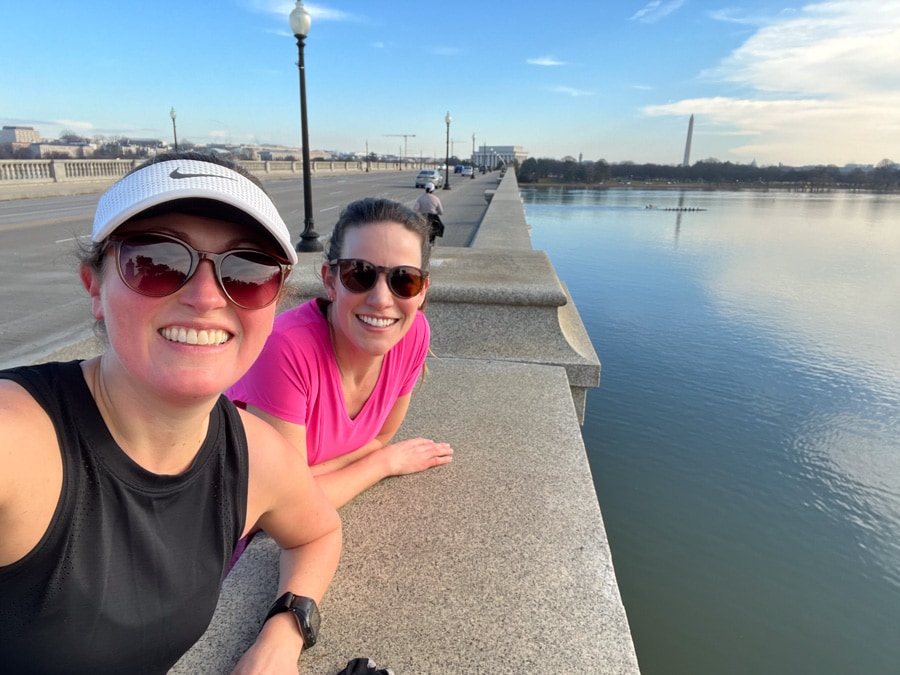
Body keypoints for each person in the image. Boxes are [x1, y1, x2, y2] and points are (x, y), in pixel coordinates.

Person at [0, 151, 342, 674]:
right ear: (96, 287)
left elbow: (318, 532)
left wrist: (284, 630)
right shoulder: (17, 438)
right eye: (156, 262)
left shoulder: (254, 454)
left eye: (247, 271)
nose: (206, 298)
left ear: (274, 300)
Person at [228, 197, 453, 510]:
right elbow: (281, 507)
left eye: (404, 279)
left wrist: (307, 478)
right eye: (359, 273)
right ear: (330, 281)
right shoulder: (284, 349)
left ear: (422, 290)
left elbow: (381, 435)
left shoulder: (413, 334)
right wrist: (383, 464)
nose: (381, 299)